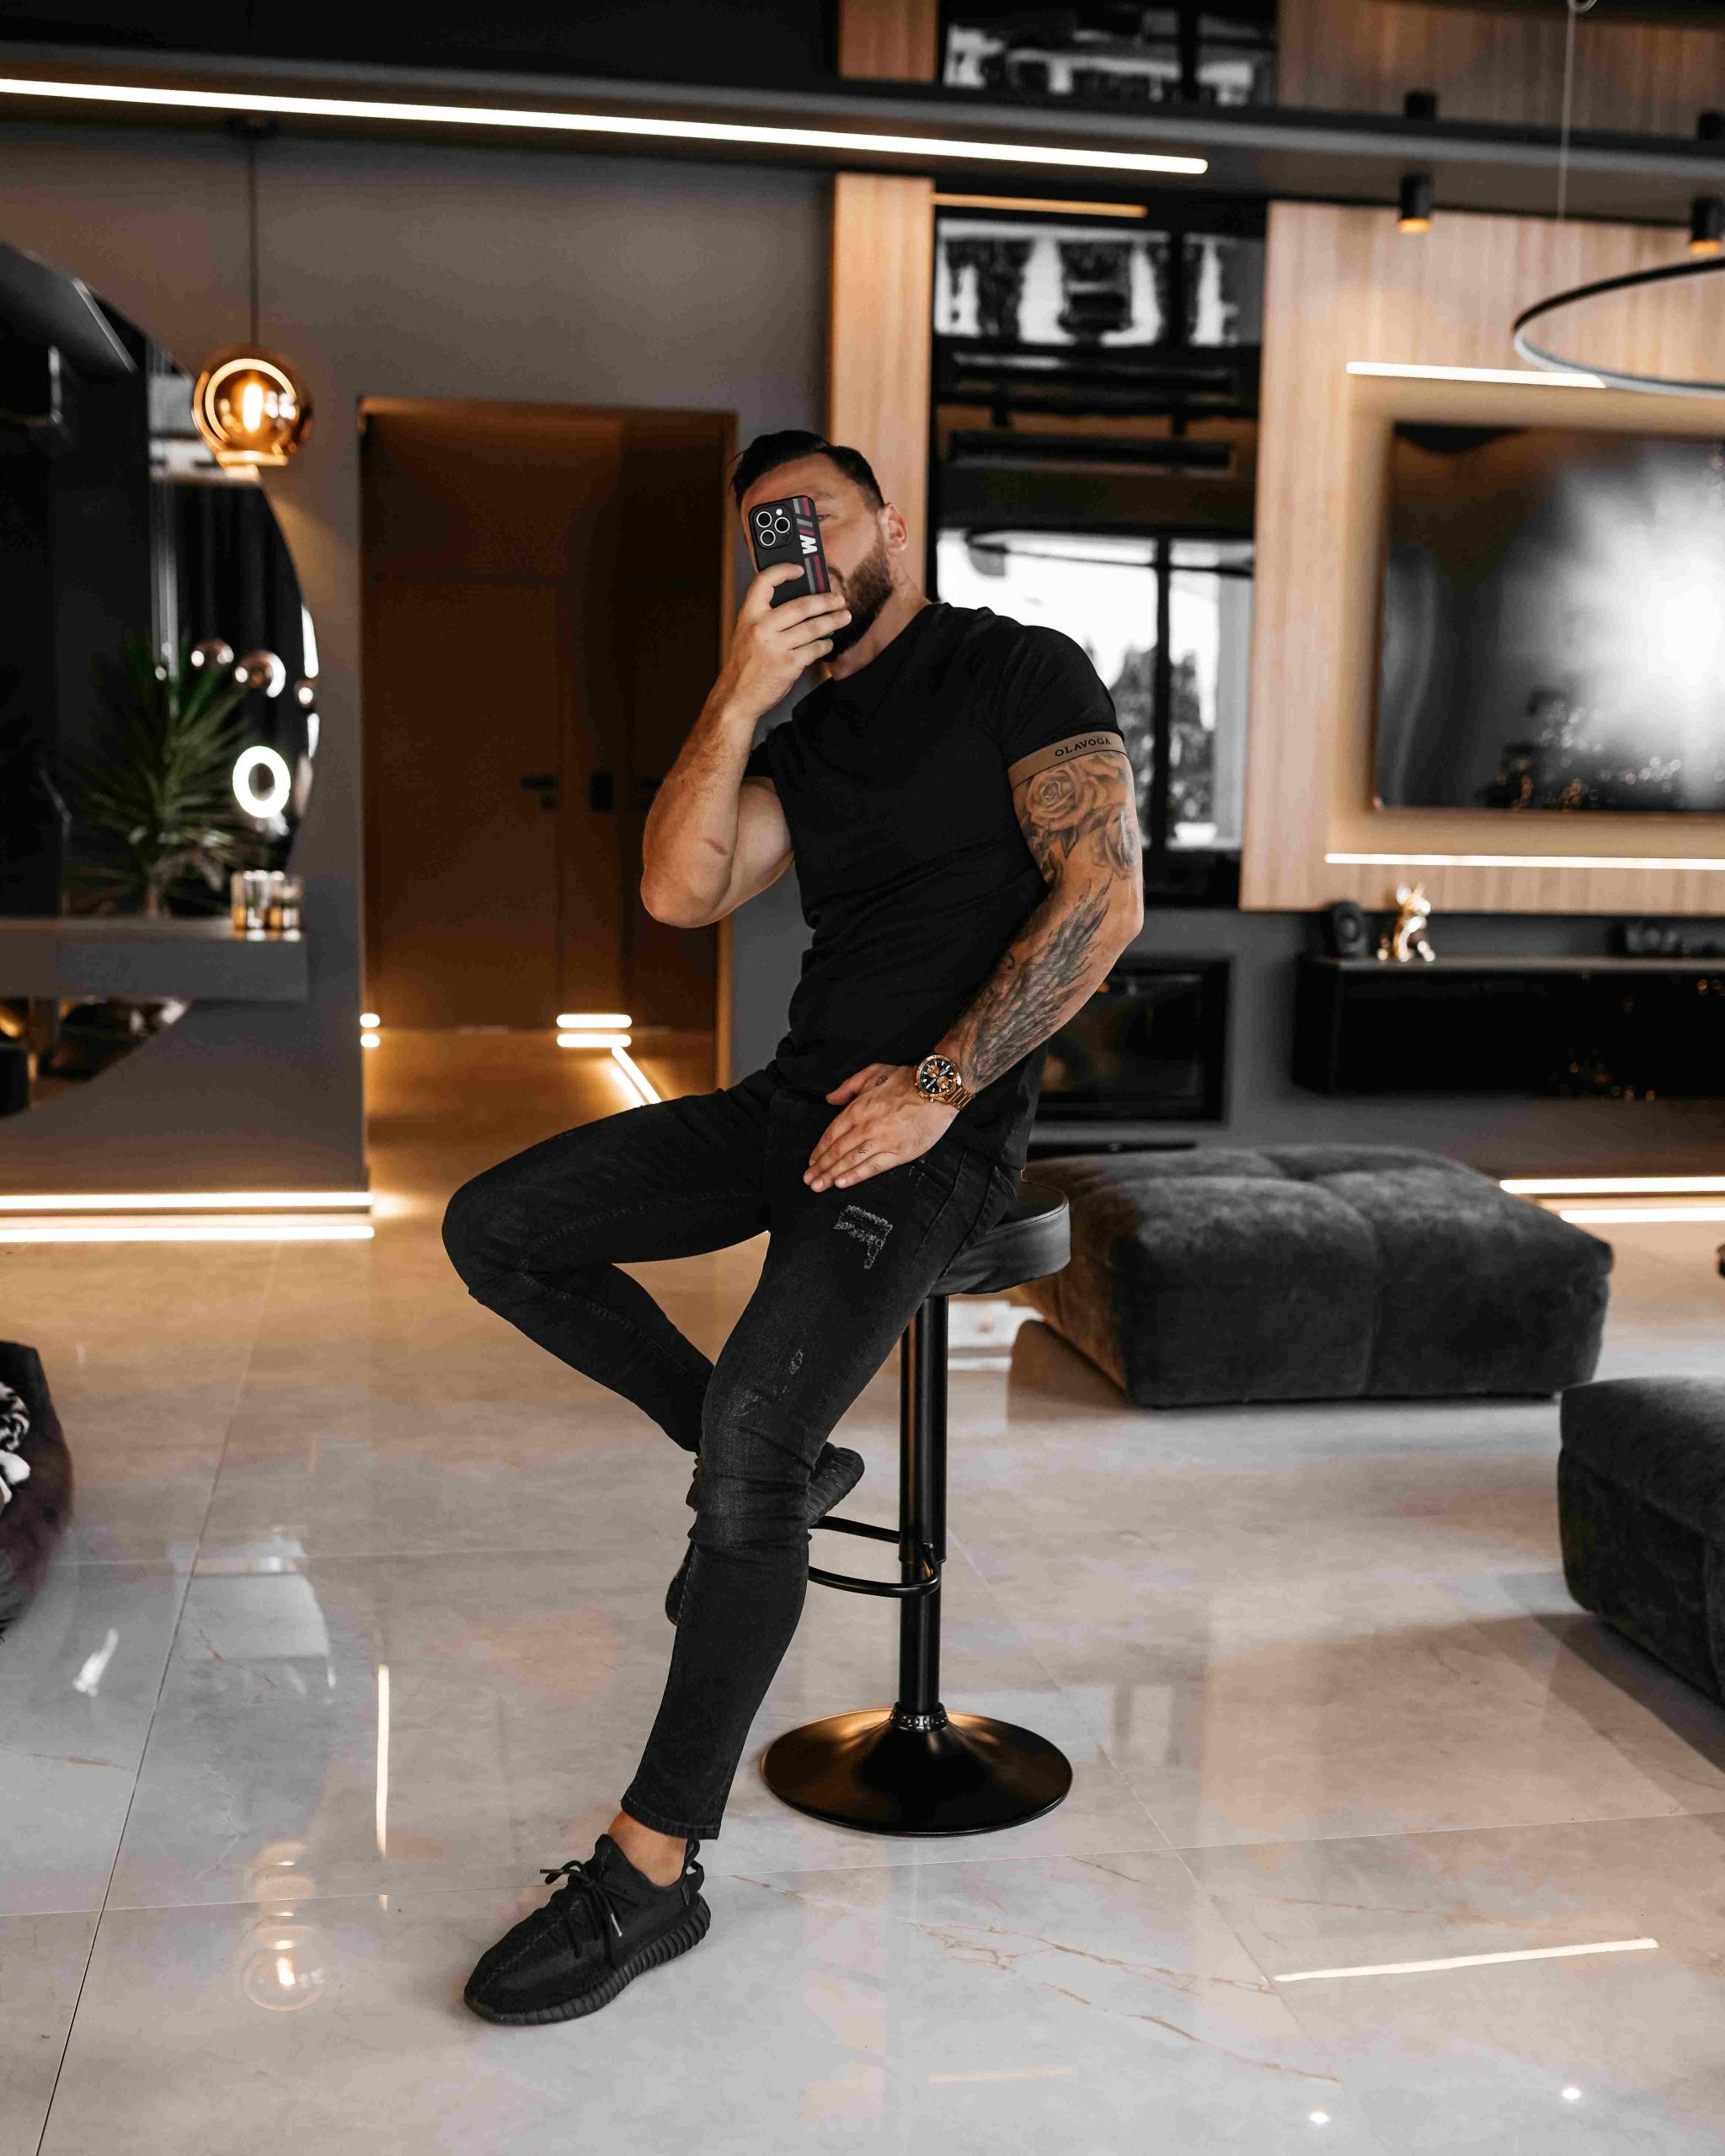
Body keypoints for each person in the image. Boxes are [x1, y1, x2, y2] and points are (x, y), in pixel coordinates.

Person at [442, 429, 1143, 2025]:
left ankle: (650, 1875)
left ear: (890, 521)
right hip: (792, 1106)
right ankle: (760, 1461)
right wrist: (738, 694)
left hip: (938, 1134)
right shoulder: (804, 731)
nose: (802, 548)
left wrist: (941, 1086)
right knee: (501, 1227)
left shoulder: (1018, 668)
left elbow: (1103, 901)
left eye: (820, 516)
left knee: (755, 1442)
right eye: (771, 533)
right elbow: (680, 891)